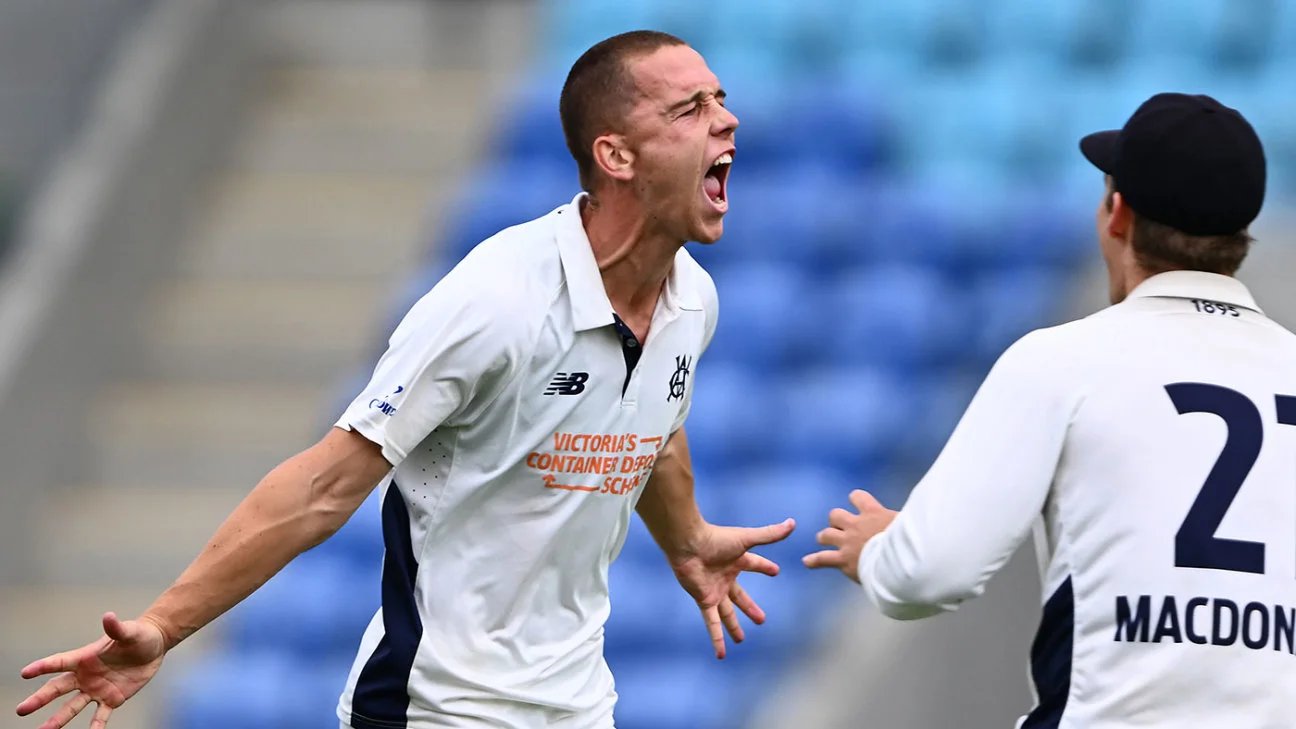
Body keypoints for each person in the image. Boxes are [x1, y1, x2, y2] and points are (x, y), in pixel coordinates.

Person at [16, 30, 794, 729]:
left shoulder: (693, 300)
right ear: (616, 155)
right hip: (433, 707)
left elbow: (650, 420)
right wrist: (165, 624)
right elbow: (324, 485)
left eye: (721, 100)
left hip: (579, 705)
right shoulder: (498, 300)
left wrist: (686, 537)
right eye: (690, 108)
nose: (726, 119)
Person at [804, 92, 1296, 727]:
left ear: (1116, 214)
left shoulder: (1062, 360)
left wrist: (880, 552)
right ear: (1240, 239)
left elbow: (930, 572)